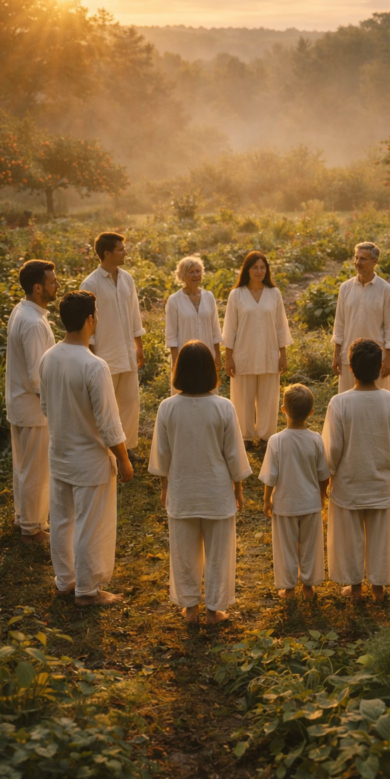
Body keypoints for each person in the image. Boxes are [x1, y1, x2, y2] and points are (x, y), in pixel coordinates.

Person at [39, 291, 133, 606]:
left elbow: (45, 405)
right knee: (90, 525)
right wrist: (123, 458)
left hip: (60, 454)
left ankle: (65, 581)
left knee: (63, 521)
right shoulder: (94, 366)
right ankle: (88, 590)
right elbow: (108, 423)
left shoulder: (49, 357)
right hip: (89, 460)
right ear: (90, 319)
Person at [148, 340, 251, 624]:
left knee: (183, 551)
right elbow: (233, 455)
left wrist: (165, 488)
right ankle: (214, 610)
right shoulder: (223, 407)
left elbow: (162, 456)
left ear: (178, 370)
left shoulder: (167, 408)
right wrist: (238, 489)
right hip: (217, 492)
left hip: (182, 490)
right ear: (211, 370)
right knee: (219, 553)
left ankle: (190, 608)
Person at [323, 338, 390, 602]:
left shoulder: (339, 403)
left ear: (350, 368)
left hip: (348, 484)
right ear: (380, 368)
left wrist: (327, 483)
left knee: (350, 537)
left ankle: (355, 588)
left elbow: (332, 453)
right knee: (381, 538)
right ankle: (378, 589)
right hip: (381, 482)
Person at [5, 260, 58, 543]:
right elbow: (39, 377)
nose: (57, 285)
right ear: (38, 288)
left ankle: (22, 518)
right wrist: (54, 408)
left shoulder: (22, 310)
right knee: (36, 470)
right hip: (34, 408)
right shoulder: (34, 323)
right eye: (52, 282)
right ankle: (33, 528)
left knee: (24, 467)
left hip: (18, 403)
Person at [260, 384, 329, 600]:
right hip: (310, 503)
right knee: (310, 545)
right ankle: (308, 587)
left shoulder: (276, 441)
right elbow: (323, 475)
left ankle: (288, 588)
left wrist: (267, 500)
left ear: (283, 409)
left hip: (285, 504)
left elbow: (270, 476)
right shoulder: (316, 439)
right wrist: (321, 495)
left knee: (285, 547)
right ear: (311, 413)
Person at [81, 232, 145, 451]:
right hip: (104, 355)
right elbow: (87, 325)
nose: (125, 252)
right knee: (106, 406)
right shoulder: (91, 283)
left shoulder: (127, 278)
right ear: (107, 253)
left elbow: (135, 314)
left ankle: (127, 449)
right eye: (121, 249)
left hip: (127, 352)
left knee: (129, 403)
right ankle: (107, 449)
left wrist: (139, 346)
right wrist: (88, 356)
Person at [223, 250, 292, 447]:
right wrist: (229, 357)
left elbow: (280, 326)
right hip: (243, 354)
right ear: (247, 269)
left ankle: (265, 436)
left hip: (269, 353)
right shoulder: (237, 295)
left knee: (269, 397)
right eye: (255, 267)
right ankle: (244, 436)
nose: (259, 271)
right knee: (242, 397)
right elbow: (230, 328)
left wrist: (283, 354)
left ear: (267, 270)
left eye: (262, 267)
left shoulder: (274, 293)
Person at [331, 241, 390, 393]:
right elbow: (339, 324)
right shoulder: (345, 288)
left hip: (376, 359)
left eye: (363, 259)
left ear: (375, 261)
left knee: (377, 402)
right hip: (349, 357)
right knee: (347, 401)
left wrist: (388, 358)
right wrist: (337, 355)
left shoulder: (386, 290)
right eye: (356, 258)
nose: (357, 262)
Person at [165, 255, 222, 395]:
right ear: (182, 275)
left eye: (198, 271)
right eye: (191, 272)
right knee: (183, 393)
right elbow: (171, 334)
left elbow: (215, 328)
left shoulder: (209, 297)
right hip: (184, 357)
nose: (196, 275)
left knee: (208, 392)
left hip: (207, 354)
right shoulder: (174, 300)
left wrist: (217, 355)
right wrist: (176, 361)